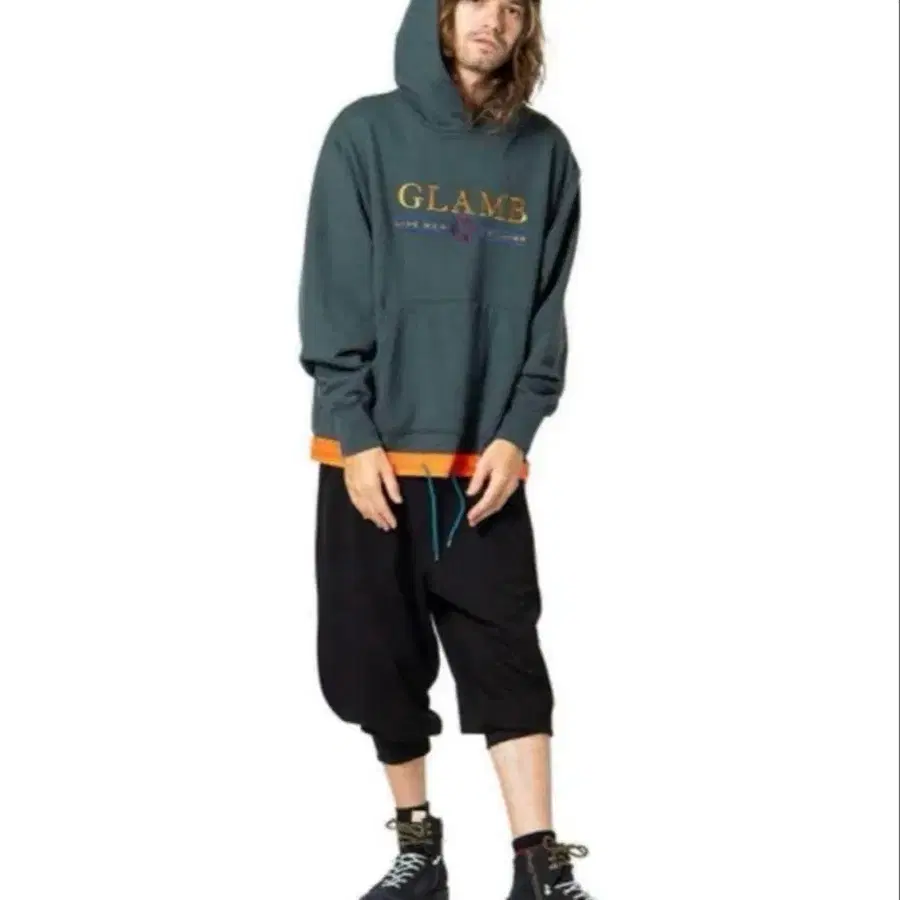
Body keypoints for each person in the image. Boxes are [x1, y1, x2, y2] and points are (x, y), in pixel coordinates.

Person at [298, 0, 590, 897]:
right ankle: (419, 851)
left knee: (508, 656)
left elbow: (546, 310)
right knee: (373, 661)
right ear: (439, 11)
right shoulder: (364, 134)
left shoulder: (545, 154)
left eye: (514, 7)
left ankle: (537, 864)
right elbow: (333, 288)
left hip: (483, 463)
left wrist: (518, 430)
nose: (494, 18)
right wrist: (352, 432)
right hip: (373, 458)